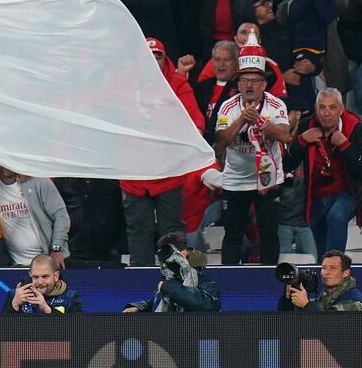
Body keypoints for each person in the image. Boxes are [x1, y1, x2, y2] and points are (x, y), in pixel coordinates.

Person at [120, 38, 203, 265]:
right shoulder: (125, 85)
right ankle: (141, 278)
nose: (153, 60)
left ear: (164, 59)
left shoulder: (177, 84)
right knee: (139, 229)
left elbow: (196, 124)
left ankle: (177, 277)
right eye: (148, 56)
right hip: (135, 174)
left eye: (157, 56)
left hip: (168, 172)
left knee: (172, 231)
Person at [214, 37, 292, 264]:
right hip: (236, 179)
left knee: (268, 232)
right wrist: (241, 120)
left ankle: (268, 278)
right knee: (233, 234)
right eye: (244, 80)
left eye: (255, 80)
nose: (249, 85)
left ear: (264, 84)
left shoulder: (276, 105)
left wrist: (260, 121)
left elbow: (284, 135)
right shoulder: (228, 107)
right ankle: (229, 278)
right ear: (238, 84)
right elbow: (220, 142)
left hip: (268, 178)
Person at [283, 88, 362, 257]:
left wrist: (345, 145)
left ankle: (335, 264)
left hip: (347, 194)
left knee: (337, 216)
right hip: (315, 196)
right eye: (322, 107)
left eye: (332, 107)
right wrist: (301, 141)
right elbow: (286, 165)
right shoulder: (306, 127)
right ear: (316, 109)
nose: (327, 113)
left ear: (341, 109)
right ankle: (327, 267)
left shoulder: (356, 129)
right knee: (321, 246)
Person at [0, 165, 70, 268]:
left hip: (49, 260)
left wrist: (57, 248)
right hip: (16, 265)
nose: (6, 165)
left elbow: (61, 216)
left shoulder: (39, 181)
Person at [123, 232, 220, 312]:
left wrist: (168, 287)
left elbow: (207, 305)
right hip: (168, 327)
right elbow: (161, 303)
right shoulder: (169, 278)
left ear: (183, 253)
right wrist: (140, 308)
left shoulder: (202, 278)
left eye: (168, 252)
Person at [278, 249, 362, 311]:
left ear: (346, 273)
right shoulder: (325, 295)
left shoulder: (354, 301)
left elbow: (331, 327)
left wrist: (307, 305)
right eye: (324, 268)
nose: (326, 272)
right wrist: (287, 298)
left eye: (332, 268)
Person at [2, 253, 81, 315]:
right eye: (35, 277)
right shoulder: (14, 295)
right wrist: (14, 306)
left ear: (56, 276)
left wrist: (47, 309)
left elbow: (77, 328)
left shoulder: (70, 297)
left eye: (45, 277)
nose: (40, 282)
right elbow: (1, 329)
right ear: (30, 275)